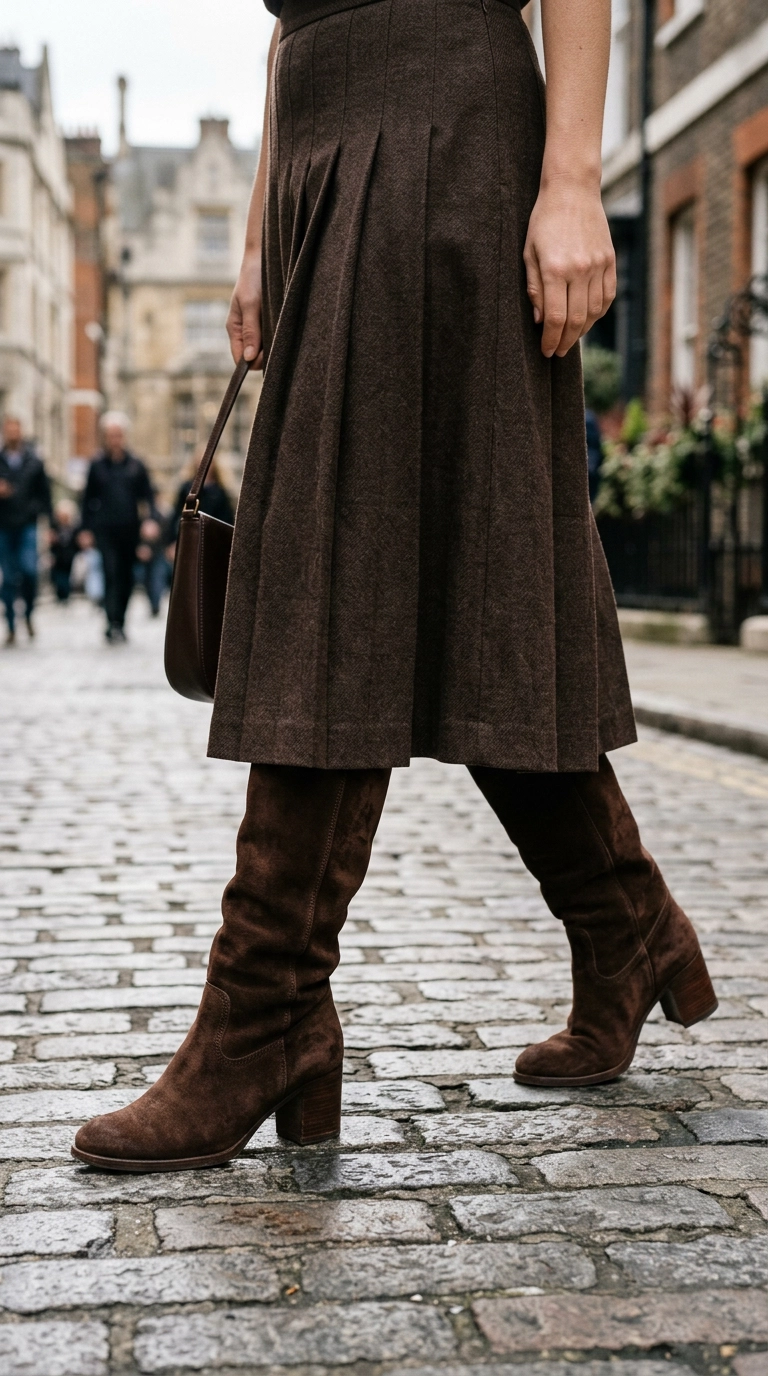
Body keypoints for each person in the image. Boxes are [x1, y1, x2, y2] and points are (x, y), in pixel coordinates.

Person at [74, 0, 717, 1173]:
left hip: (448, 123)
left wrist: (573, 175)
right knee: (458, 584)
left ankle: (264, 1012)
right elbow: (284, 26)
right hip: (324, 152)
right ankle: (624, 926)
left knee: (349, 571)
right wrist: (264, 233)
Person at [79, 413, 157, 642]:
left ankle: (120, 621)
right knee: (110, 574)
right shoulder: (96, 465)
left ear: (124, 437)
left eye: (119, 435)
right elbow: (87, 500)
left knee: (126, 578)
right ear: (105, 437)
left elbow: (149, 497)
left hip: (130, 530)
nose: (115, 440)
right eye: (111, 435)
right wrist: (85, 529)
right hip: (105, 530)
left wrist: (150, 521)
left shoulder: (136, 465)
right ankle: (111, 621)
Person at [0, 416, 51, 645]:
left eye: (15, 429)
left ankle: (28, 614)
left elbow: (45, 496)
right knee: (8, 578)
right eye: (8, 429)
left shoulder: (34, 461)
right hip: (4, 526)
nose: (12, 433)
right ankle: (11, 625)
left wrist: (48, 524)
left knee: (30, 572)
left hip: (28, 526)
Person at [48, 499, 81, 603]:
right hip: (58, 558)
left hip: (70, 557)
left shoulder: (75, 529)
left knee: (67, 577)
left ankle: (66, 594)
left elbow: (77, 545)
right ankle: (60, 595)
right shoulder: (54, 528)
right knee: (57, 577)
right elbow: (51, 546)